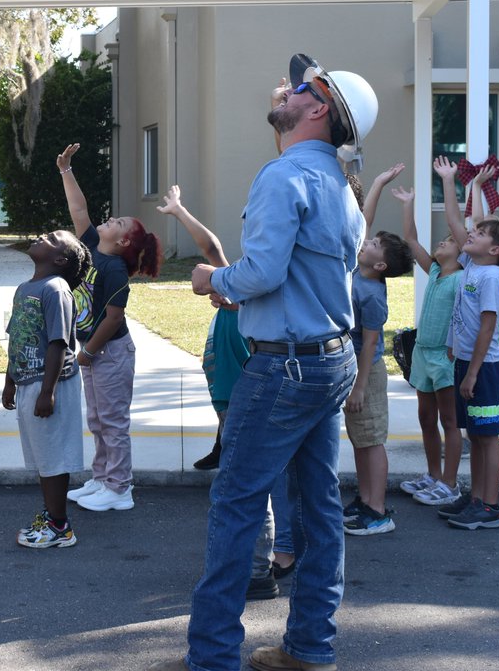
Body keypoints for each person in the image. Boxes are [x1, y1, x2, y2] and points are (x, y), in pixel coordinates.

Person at [150, 63, 374, 671]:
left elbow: (265, 272)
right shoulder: (342, 189)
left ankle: (214, 657)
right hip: (330, 362)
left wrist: (211, 279)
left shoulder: (283, 175)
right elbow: (300, 276)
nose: (288, 91)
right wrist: (244, 289)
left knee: (237, 505)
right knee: (319, 509)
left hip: (284, 369)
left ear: (320, 110)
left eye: (302, 89)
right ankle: (310, 647)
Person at [157, 185, 286, 600]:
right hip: (229, 402)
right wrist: (180, 211)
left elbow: (213, 250)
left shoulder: (251, 305)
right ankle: (256, 563)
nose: (218, 285)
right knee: (238, 482)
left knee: (243, 487)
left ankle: (256, 570)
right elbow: (211, 248)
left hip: (244, 403)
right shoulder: (237, 296)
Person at [57, 143, 161, 513]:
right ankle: (101, 479)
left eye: (118, 223)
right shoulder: (91, 248)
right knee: (97, 419)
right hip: (94, 351)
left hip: (110, 351)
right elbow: (79, 209)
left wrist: (86, 352)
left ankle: (120, 488)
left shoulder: (115, 268)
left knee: (113, 421)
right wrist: (66, 169)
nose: (110, 219)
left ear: (124, 241)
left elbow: (114, 317)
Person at [435, 156, 499, 530]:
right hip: (467, 364)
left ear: (494, 250)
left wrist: (471, 373)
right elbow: (462, 224)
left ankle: (490, 506)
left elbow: (487, 328)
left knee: (488, 438)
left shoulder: (491, 278)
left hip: (482, 369)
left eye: (480, 235)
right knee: (476, 435)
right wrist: (461, 184)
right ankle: (475, 499)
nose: (470, 235)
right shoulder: (475, 267)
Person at [4, 230, 91, 548]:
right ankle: (51, 514)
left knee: (54, 457)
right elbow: (18, 337)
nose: (43, 236)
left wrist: (48, 391)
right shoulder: (25, 288)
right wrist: (9, 380)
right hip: (30, 382)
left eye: (53, 239)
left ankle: (59, 527)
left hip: (50, 384)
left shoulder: (56, 290)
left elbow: (58, 343)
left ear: (59, 260)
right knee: (44, 457)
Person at [341, 164, 414, 536]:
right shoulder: (359, 269)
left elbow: (370, 343)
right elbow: (363, 222)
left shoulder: (371, 293)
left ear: (380, 264)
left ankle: (378, 510)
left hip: (366, 372)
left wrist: (358, 386)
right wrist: (379, 183)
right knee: (360, 438)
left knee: (372, 441)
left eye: (371, 247)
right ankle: (364, 499)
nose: (365, 244)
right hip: (355, 369)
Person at [389, 182, 465, 506]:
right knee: (425, 416)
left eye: (448, 241)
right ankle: (433, 474)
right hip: (423, 353)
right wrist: (408, 203)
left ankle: (450, 482)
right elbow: (410, 239)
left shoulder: (463, 276)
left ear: (461, 252)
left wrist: (453, 184)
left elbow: (456, 226)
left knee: (449, 420)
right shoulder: (433, 269)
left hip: (445, 357)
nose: (442, 242)